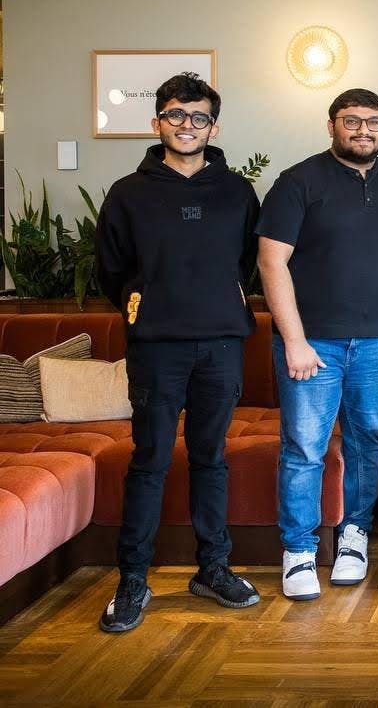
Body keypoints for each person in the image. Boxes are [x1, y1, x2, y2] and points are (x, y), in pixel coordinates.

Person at [95, 72, 261, 632]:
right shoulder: (129, 193)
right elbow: (112, 271)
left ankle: (212, 568)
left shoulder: (237, 191)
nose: (185, 126)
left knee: (212, 459)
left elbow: (245, 264)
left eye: (197, 117)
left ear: (213, 125)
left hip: (220, 344)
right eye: (174, 115)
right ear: (157, 121)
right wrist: (152, 306)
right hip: (156, 348)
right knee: (151, 461)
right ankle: (133, 580)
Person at [258, 88, 378, 600]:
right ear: (331, 124)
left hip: (377, 343)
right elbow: (271, 261)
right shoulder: (298, 182)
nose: (363, 131)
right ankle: (300, 549)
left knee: (369, 440)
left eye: (374, 122)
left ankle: (354, 536)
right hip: (314, 346)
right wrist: (295, 340)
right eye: (352, 121)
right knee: (305, 447)